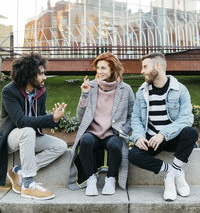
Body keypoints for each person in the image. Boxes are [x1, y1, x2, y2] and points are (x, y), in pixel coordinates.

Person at [128, 52, 198, 201]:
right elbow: (136, 118)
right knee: (134, 155)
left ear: (158, 66)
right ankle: (174, 172)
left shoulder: (180, 89)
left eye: (145, 67)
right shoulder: (142, 92)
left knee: (191, 133)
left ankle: (170, 179)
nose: (141, 71)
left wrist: (163, 134)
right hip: (152, 139)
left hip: (172, 138)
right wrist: (139, 136)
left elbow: (186, 118)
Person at [0, 53, 68, 200]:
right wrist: (50, 118)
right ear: (29, 74)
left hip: (31, 136)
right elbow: (21, 122)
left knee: (61, 146)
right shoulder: (9, 91)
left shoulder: (41, 92)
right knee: (27, 131)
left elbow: (41, 117)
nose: (44, 77)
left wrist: (54, 119)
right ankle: (28, 184)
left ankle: (20, 171)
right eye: (41, 74)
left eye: (44, 73)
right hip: (11, 138)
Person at [68, 52, 134, 196]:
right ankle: (91, 179)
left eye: (103, 68)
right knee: (85, 141)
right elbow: (80, 117)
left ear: (112, 69)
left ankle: (111, 179)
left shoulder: (125, 89)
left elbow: (132, 115)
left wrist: (124, 129)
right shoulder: (90, 86)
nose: (99, 71)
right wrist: (84, 94)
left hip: (113, 133)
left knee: (115, 145)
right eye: (98, 68)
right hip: (93, 133)